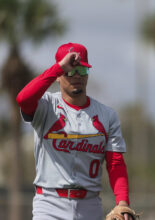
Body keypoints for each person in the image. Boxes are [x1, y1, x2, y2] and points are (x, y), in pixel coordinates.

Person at [16, 42, 134, 220]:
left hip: (90, 204)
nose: (76, 75)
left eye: (82, 70)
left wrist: (123, 202)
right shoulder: (46, 106)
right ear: (58, 75)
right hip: (49, 203)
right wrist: (58, 67)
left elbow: (115, 163)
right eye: (70, 71)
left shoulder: (107, 115)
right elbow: (23, 99)